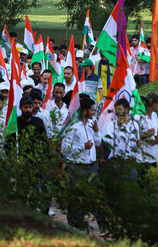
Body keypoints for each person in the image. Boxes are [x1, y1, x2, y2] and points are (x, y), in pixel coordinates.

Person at [61, 97, 106, 229]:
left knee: (96, 195)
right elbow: (65, 148)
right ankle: (76, 223)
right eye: (92, 110)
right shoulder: (73, 127)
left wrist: (97, 130)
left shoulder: (93, 124)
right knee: (77, 196)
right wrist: (82, 146)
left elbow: (98, 143)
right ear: (85, 111)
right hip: (78, 167)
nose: (94, 113)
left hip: (92, 166)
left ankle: (102, 224)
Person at [136, 93, 158, 166]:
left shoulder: (154, 115)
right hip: (142, 158)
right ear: (153, 104)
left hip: (154, 156)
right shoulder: (138, 117)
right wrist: (146, 135)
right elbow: (133, 136)